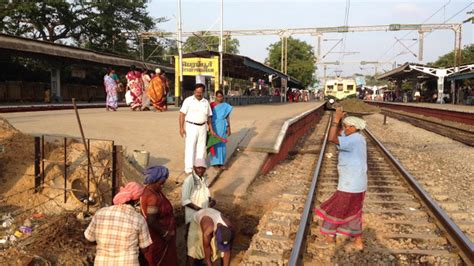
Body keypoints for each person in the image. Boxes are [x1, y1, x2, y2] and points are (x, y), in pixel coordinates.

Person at [313, 107, 367, 251]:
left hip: (350, 184)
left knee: (337, 209)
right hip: (356, 183)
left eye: (351, 126)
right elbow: (339, 133)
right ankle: (358, 241)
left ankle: (330, 238)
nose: (347, 128)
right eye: (346, 125)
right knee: (353, 210)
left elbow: (331, 138)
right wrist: (340, 121)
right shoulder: (356, 137)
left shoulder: (354, 140)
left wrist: (336, 120)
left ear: (357, 128)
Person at [84, 182, 152, 265]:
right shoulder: (139, 219)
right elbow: (145, 248)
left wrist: (104, 244)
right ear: (137, 200)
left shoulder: (100, 213)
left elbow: (89, 239)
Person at [140, 166, 178, 266]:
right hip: (158, 238)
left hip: (162, 237)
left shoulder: (153, 192)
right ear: (154, 181)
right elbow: (151, 220)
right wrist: (165, 233)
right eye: (161, 183)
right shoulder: (152, 198)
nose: (162, 186)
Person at [179, 83, 216, 174]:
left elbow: (209, 117)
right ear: (194, 91)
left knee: (201, 148)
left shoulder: (205, 102)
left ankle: (199, 166)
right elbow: (182, 114)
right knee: (190, 147)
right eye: (197, 92)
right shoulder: (188, 100)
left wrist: (211, 128)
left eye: (200, 92)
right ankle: (189, 168)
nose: (198, 94)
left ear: (203, 92)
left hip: (203, 127)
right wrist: (181, 128)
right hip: (191, 127)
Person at [209, 90, 233, 170]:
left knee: (222, 144)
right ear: (215, 96)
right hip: (214, 126)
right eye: (218, 96)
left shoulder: (226, 106)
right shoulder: (211, 105)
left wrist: (229, 128)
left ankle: (221, 162)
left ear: (223, 97)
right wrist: (210, 127)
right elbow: (209, 117)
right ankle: (215, 163)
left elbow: (227, 117)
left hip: (222, 126)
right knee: (214, 143)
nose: (220, 98)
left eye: (221, 96)